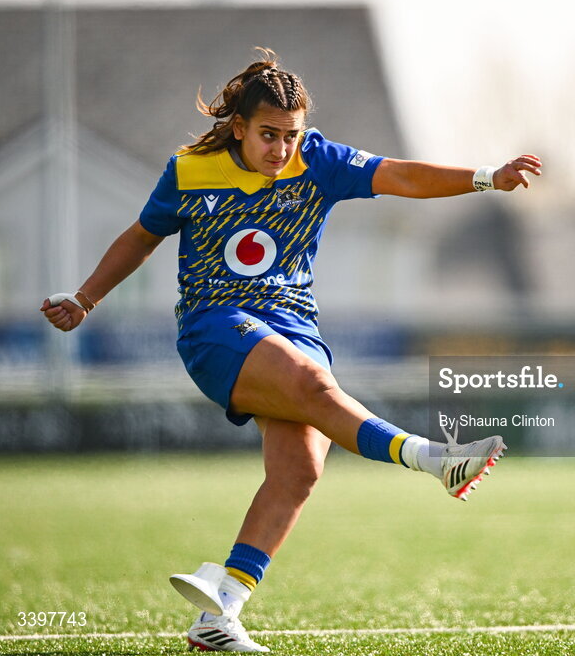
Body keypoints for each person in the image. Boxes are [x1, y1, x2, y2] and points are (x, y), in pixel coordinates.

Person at [40, 48, 541, 653]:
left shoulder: (319, 161)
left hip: (293, 326)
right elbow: (143, 235)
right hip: (215, 327)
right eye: (268, 135)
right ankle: (436, 459)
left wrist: (486, 176)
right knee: (313, 386)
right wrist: (86, 298)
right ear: (240, 129)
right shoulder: (190, 170)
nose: (281, 149)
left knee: (300, 470)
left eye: (290, 135)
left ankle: (219, 608)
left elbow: (402, 177)